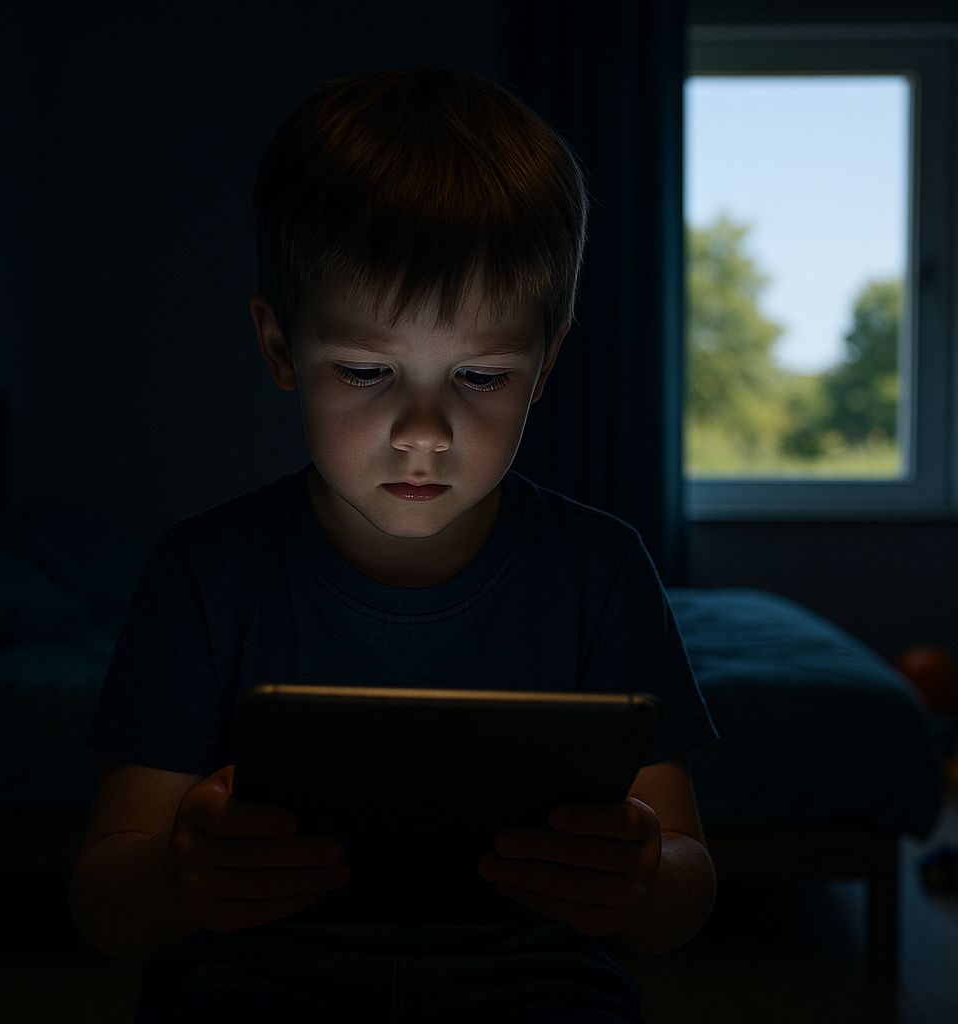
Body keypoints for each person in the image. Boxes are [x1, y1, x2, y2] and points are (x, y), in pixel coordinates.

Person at [68, 66, 719, 1023]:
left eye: (483, 377)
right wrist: (180, 875)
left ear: (546, 366)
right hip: (255, 981)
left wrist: (642, 879)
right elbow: (104, 900)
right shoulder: (207, 574)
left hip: (533, 985)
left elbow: (685, 881)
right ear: (280, 347)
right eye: (369, 370)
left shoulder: (600, 571)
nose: (425, 431)